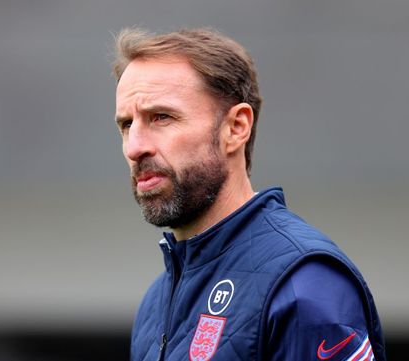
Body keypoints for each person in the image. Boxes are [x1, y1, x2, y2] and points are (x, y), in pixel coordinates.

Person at [112, 27, 386, 361]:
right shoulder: (154, 304)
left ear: (236, 128)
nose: (136, 147)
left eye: (161, 117)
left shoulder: (303, 282)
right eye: (127, 125)